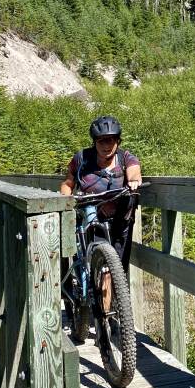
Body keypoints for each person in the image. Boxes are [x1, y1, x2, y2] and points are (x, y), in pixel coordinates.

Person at [60, 115, 142, 272]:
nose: (106, 145)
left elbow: (134, 171)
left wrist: (133, 180)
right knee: (91, 264)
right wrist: (65, 200)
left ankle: (115, 296)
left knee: (118, 269)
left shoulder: (125, 158)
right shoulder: (81, 158)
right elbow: (68, 182)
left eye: (110, 140)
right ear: (94, 142)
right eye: (101, 141)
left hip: (120, 220)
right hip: (90, 216)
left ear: (117, 141)